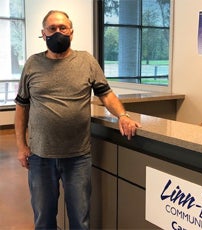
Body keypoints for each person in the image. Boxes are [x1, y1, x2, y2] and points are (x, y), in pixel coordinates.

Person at [14, 10, 141, 230]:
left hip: (78, 157)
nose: (58, 32)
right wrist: (21, 145)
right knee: (43, 221)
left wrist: (123, 115)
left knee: (80, 220)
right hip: (40, 156)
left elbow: (106, 94)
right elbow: (21, 107)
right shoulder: (32, 64)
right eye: (52, 28)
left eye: (62, 28)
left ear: (71, 32)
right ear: (43, 34)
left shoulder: (86, 61)